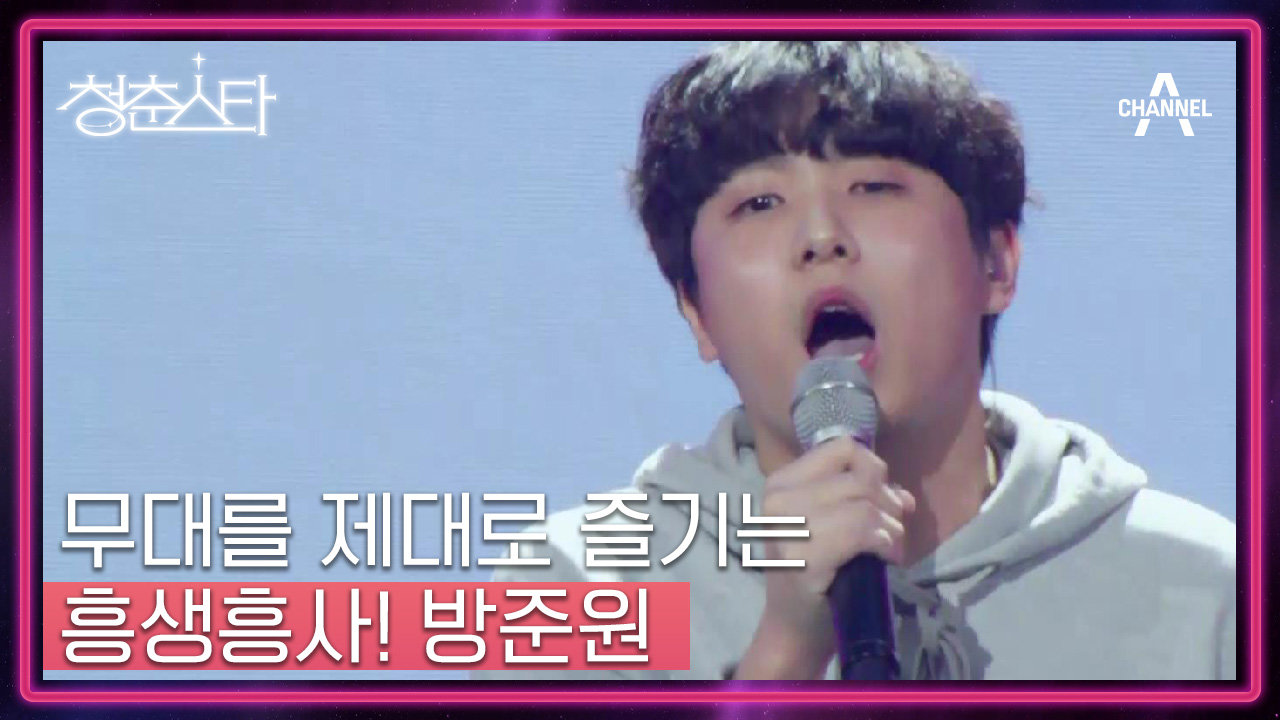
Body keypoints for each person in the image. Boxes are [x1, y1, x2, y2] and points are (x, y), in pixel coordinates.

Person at [474, 40, 1236, 681]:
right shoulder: (576, 589)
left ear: (997, 262)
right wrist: (786, 653)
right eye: (758, 204)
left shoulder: (1207, 591)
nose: (822, 237)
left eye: (873, 186)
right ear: (697, 312)